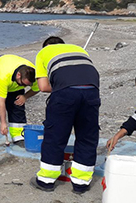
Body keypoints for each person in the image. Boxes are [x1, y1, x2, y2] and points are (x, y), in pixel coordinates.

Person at [30, 36, 100, 194]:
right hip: (92, 90)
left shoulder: (43, 52)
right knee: (87, 135)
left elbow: (42, 86)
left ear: (45, 46)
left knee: (56, 135)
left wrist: (61, 88)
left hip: (65, 94)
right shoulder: (79, 49)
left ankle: (46, 180)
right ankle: (81, 183)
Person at [0, 54, 39, 147]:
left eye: (27, 85)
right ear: (18, 75)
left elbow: (38, 88)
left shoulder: (33, 75)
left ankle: (18, 136)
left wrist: (25, 96)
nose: (24, 87)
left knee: (18, 104)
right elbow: (1, 102)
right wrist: (3, 123)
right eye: (23, 84)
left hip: (12, 82)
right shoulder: (3, 76)